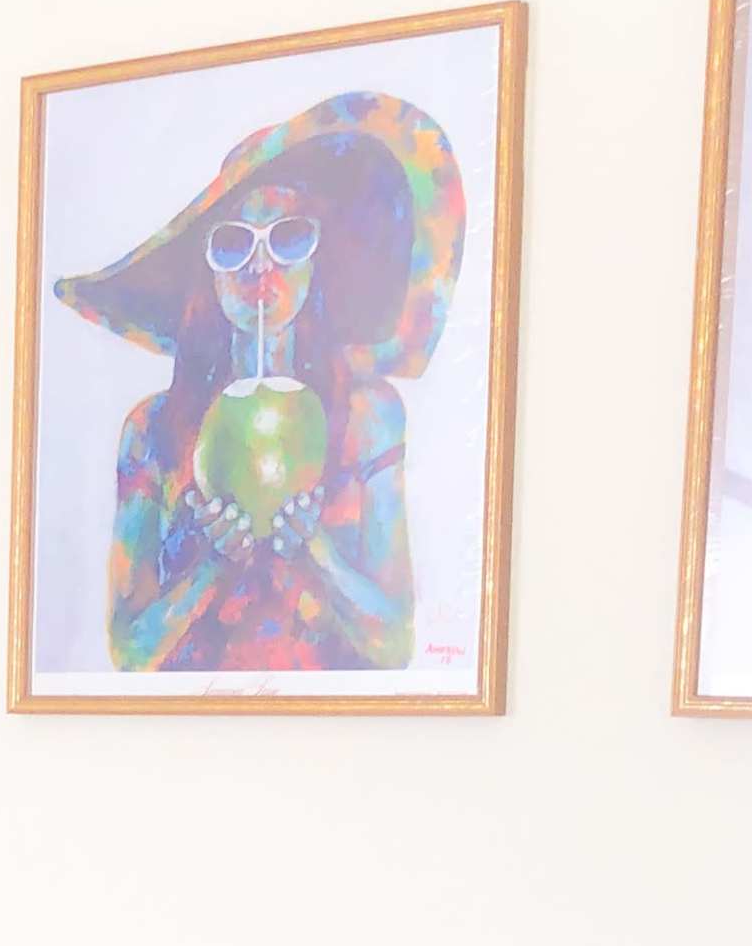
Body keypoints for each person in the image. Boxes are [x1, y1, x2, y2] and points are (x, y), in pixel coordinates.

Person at [56, 92, 464, 675]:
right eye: (233, 243)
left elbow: (395, 640)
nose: (261, 265)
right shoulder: (151, 432)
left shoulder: (370, 417)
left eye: (289, 237)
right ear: (207, 270)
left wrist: (314, 550)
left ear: (318, 259)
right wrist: (210, 569)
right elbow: (129, 651)